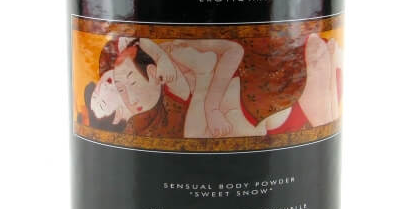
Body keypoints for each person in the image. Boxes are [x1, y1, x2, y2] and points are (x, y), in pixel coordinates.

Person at [86, 33, 342, 139]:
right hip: (266, 117)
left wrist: (161, 56)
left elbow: (230, 51)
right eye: (118, 92)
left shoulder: (169, 56)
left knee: (318, 55)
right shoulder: (170, 112)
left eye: (112, 80)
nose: (112, 84)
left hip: (267, 85)